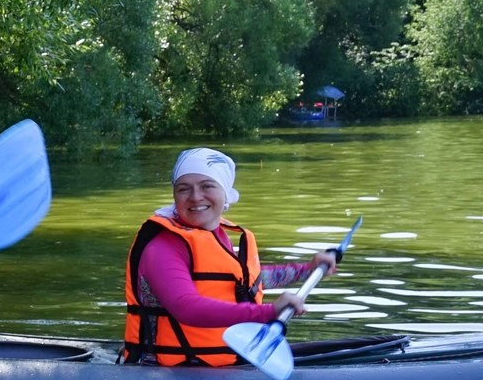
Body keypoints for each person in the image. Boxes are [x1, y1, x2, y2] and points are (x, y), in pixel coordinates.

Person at [121, 145, 338, 366]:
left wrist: (307, 269)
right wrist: (268, 311)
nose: (195, 197)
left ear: (225, 192)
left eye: (207, 186)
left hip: (219, 364)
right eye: (183, 188)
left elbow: (245, 282)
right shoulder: (162, 246)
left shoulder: (216, 234)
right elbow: (185, 307)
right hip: (161, 371)